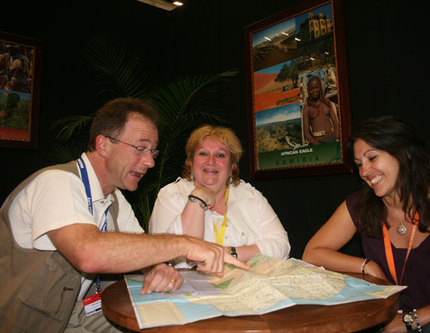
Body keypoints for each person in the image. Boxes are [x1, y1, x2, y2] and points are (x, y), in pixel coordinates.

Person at [0, 98, 248, 333]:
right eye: (140, 148)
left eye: (152, 151)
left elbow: (143, 252)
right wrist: (187, 244)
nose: (150, 162)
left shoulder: (115, 199)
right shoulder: (56, 182)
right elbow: (90, 253)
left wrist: (159, 268)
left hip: (80, 312)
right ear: (104, 144)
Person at [302, 115, 430, 332]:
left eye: (372, 158)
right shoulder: (360, 205)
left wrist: (411, 320)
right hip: (391, 323)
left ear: (404, 153)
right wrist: (367, 265)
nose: (364, 172)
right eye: (359, 164)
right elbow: (312, 252)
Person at [149, 124, 290, 263]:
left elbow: (282, 246)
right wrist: (198, 197)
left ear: (232, 166)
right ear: (191, 162)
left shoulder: (249, 195)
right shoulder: (171, 196)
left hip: (247, 282)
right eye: (203, 153)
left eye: (220, 155)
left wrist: (227, 253)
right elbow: (172, 257)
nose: (211, 161)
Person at [302, 75, 340, 145]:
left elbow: (336, 124)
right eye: (311, 89)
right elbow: (306, 133)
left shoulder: (327, 103)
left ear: (320, 88)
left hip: (332, 139)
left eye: (316, 87)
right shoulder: (307, 108)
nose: (314, 91)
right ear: (308, 91)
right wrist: (318, 145)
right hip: (317, 142)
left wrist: (336, 138)